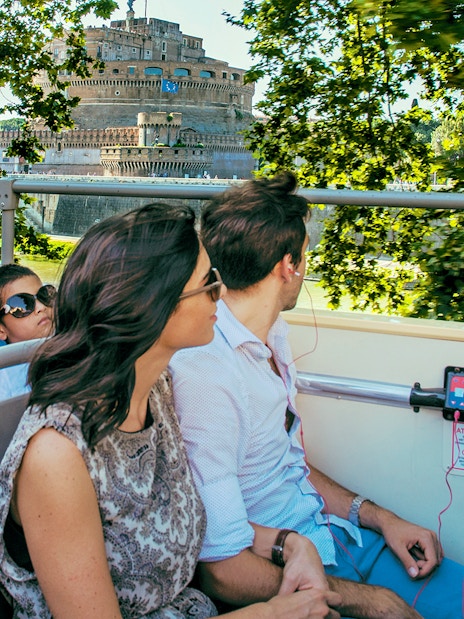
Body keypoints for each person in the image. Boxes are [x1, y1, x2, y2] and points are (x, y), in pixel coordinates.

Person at [0, 203, 341, 619]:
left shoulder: (155, 390)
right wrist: (270, 613)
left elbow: (185, 526)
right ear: (154, 306)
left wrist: (288, 543)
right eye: (207, 282)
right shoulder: (58, 456)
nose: (221, 289)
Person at [169, 172, 464, 619]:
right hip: (291, 573)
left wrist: (381, 518)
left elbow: (284, 462)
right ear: (289, 266)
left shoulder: (272, 334)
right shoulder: (208, 372)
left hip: (335, 536)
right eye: (305, 254)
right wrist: (372, 603)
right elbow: (222, 570)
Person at [0, 264, 55, 399]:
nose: (41, 307)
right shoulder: (4, 383)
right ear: (1, 330)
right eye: (22, 305)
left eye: (44, 295)